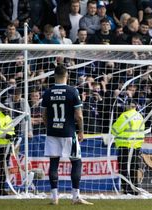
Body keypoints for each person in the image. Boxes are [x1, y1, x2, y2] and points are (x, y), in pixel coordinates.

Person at [41, 65, 93, 205]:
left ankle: (54, 197)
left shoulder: (47, 92)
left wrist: (49, 126)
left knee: (53, 163)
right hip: (69, 132)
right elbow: (79, 115)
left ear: (54, 75)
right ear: (67, 75)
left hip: (52, 132)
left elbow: (43, 115)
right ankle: (75, 197)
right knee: (76, 161)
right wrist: (81, 131)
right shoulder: (72, 91)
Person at [111, 99, 145, 195]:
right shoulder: (139, 116)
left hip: (125, 145)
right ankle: (135, 188)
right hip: (137, 146)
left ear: (129, 106)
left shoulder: (125, 115)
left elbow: (114, 130)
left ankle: (127, 189)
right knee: (134, 167)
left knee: (124, 168)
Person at [0, 107, 15, 196]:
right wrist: (5, 135)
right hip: (0, 145)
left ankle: (1, 188)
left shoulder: (8, 117)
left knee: (3, 169)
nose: (7, 110)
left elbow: (12, 130)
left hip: (6, 147)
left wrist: (12, 135)